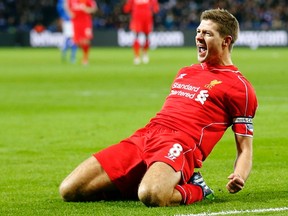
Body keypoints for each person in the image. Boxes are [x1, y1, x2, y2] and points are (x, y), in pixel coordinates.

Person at [59, 9, 258, 207]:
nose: (199, 36)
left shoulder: (240, 88)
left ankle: (198, 189)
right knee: (69, 189)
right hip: (145, 137)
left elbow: (244, 147)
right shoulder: (186, 72)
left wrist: (239, 175)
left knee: (152, 195)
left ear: (226, 41)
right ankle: (149, 180)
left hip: (178, 145)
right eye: (198, 31)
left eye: (207, 33)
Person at [123, 0, 159, 65]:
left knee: (147, 36)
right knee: (136, 35)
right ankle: (137, 56)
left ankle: (145, 53)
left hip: (147, 18)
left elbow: (156, 8)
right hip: (137, 17)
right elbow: (126, 9)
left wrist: (154, 8)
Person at [65, 0, 97, 65]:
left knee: (86, 40)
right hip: (76, 22)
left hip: (85, 21)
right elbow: (66, 6)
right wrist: (69, 13)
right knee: (78, 41)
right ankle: (80, 54)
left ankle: (85, 58)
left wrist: (88, 10)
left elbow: (94, 8)